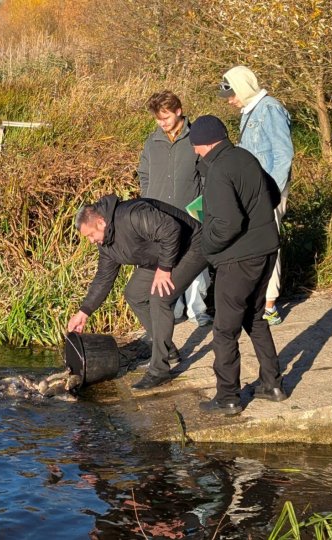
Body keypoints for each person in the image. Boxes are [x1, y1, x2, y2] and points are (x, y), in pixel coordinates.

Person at [188, 115, 287, 416]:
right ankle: (272, 383)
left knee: (224, 330)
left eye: (195, 147)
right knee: (255, 318)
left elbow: (228, 224)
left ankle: (228, 396)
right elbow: (271, 195)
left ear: (203, 143)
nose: (194, 152)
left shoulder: (218, 170)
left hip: (239, 259)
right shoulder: (245, 157)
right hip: (267, 250)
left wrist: (206, 246)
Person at [67, 194, 208, 390]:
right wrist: (84, 312)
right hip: (161, 257)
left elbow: (171, 229)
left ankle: (159, 370)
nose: (91, 241)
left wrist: (165, 268)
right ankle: (167, 350)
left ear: (100, 222)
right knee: (134, 293)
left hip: (192, 245)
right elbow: (103, 278)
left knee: (160, 297)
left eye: (91, 235)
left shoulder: (132, 214)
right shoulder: (106, 244)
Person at [218, 66, 294, 325]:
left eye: (232, 94)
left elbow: (283, 154)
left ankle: (270, 305)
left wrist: (271, 193)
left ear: (243, 87)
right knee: (255, 245)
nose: (229, 100)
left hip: (268, 191)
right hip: (253, 192)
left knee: (268, 244)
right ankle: (259, 299)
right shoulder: (248, 112)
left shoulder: (270, 109)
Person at [138, 90, 213, 326]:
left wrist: (202, 205)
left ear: (178, 111)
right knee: (166, 262)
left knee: (195, 265)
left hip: (191, 214)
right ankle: (173, 309)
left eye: (166, 117)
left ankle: (198, 310)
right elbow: (144, 174)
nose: (162, 123)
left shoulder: (195, 137)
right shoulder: (152, 141)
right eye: (158, 119)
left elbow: (206, 175)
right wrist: (148, 199)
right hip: (159, 217)